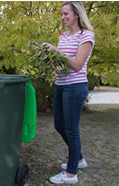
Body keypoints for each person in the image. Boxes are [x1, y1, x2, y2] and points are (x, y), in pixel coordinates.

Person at [42, 1, 95, 184]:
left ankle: (72, 174)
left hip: (75, 86)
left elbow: (78, 64)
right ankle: (79, 159)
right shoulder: (63, 36)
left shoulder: (86, 35)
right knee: (59, 125)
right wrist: (47, 57)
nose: (63, 17)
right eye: (62, 14)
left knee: (72, 129)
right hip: (61, 84)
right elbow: (60, 62)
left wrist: (56, 52)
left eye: (67, 14)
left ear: (77, 15)